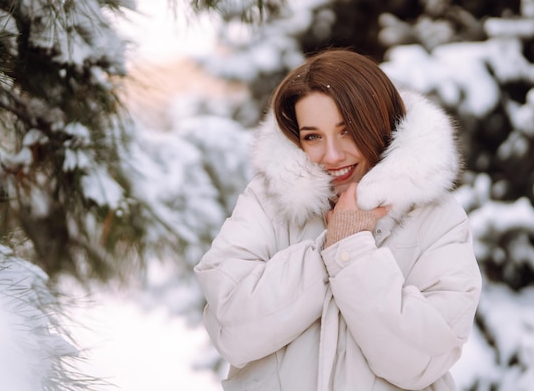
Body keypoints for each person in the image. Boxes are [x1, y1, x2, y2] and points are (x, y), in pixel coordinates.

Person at [194, 49, 481, 391]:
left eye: (347, 131)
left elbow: (421, 361)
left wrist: (351, 253)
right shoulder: (269, 200)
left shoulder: (438, 217)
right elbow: (232, 329)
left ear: (379, 123)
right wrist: (331, 250)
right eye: (312, 136)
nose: (331, 155)